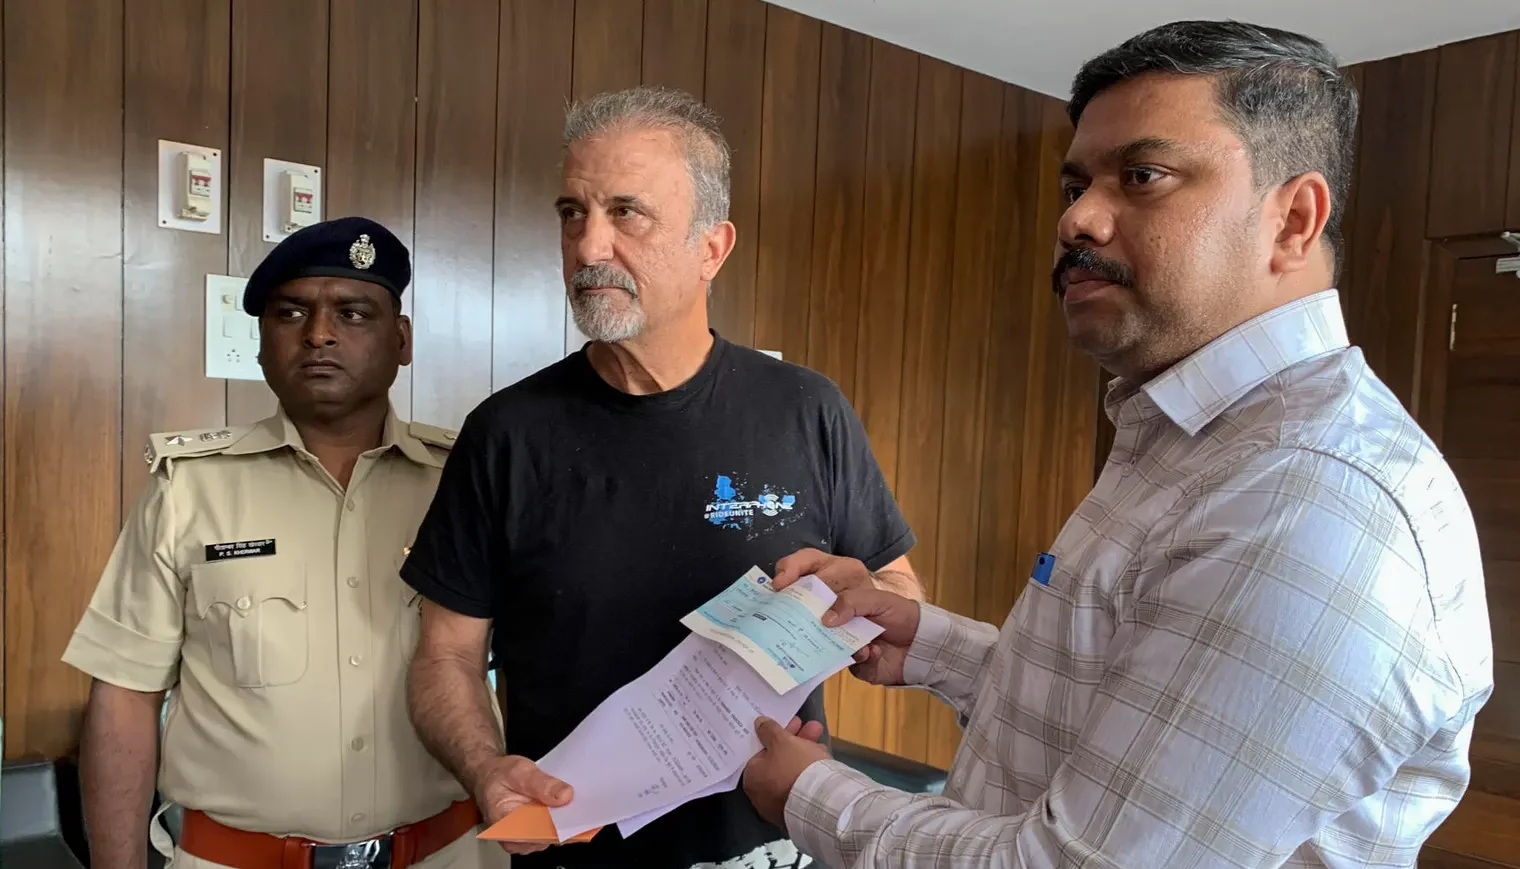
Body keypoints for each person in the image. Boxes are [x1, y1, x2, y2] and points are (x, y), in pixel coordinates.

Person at [741, 19, 1494, 868]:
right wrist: (933, 643)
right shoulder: (1186, 436)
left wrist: (807, 793)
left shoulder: (1309, 497)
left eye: (1143, 176)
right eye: (1076, 185)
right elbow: (1121, 719)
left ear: (1293, 219)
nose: (1077, 219)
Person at [399, 86, 922, 869]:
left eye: (626, 212)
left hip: (767, 846)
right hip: (569, 849)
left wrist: (863, 605)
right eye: (572, 212)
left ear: (712, 247)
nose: (588, 245)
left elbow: (899, 587)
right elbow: (445, 655)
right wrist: (485, 768)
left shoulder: (806, 409)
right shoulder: (506, 434)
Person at [61, 216, 507, 869]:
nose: (318, 333)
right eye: (291, 313)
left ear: (402, 339)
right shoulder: (189, 491)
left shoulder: (466, 481)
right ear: (262, 343)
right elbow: (126, 694)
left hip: (449, 854)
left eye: (353, 313)